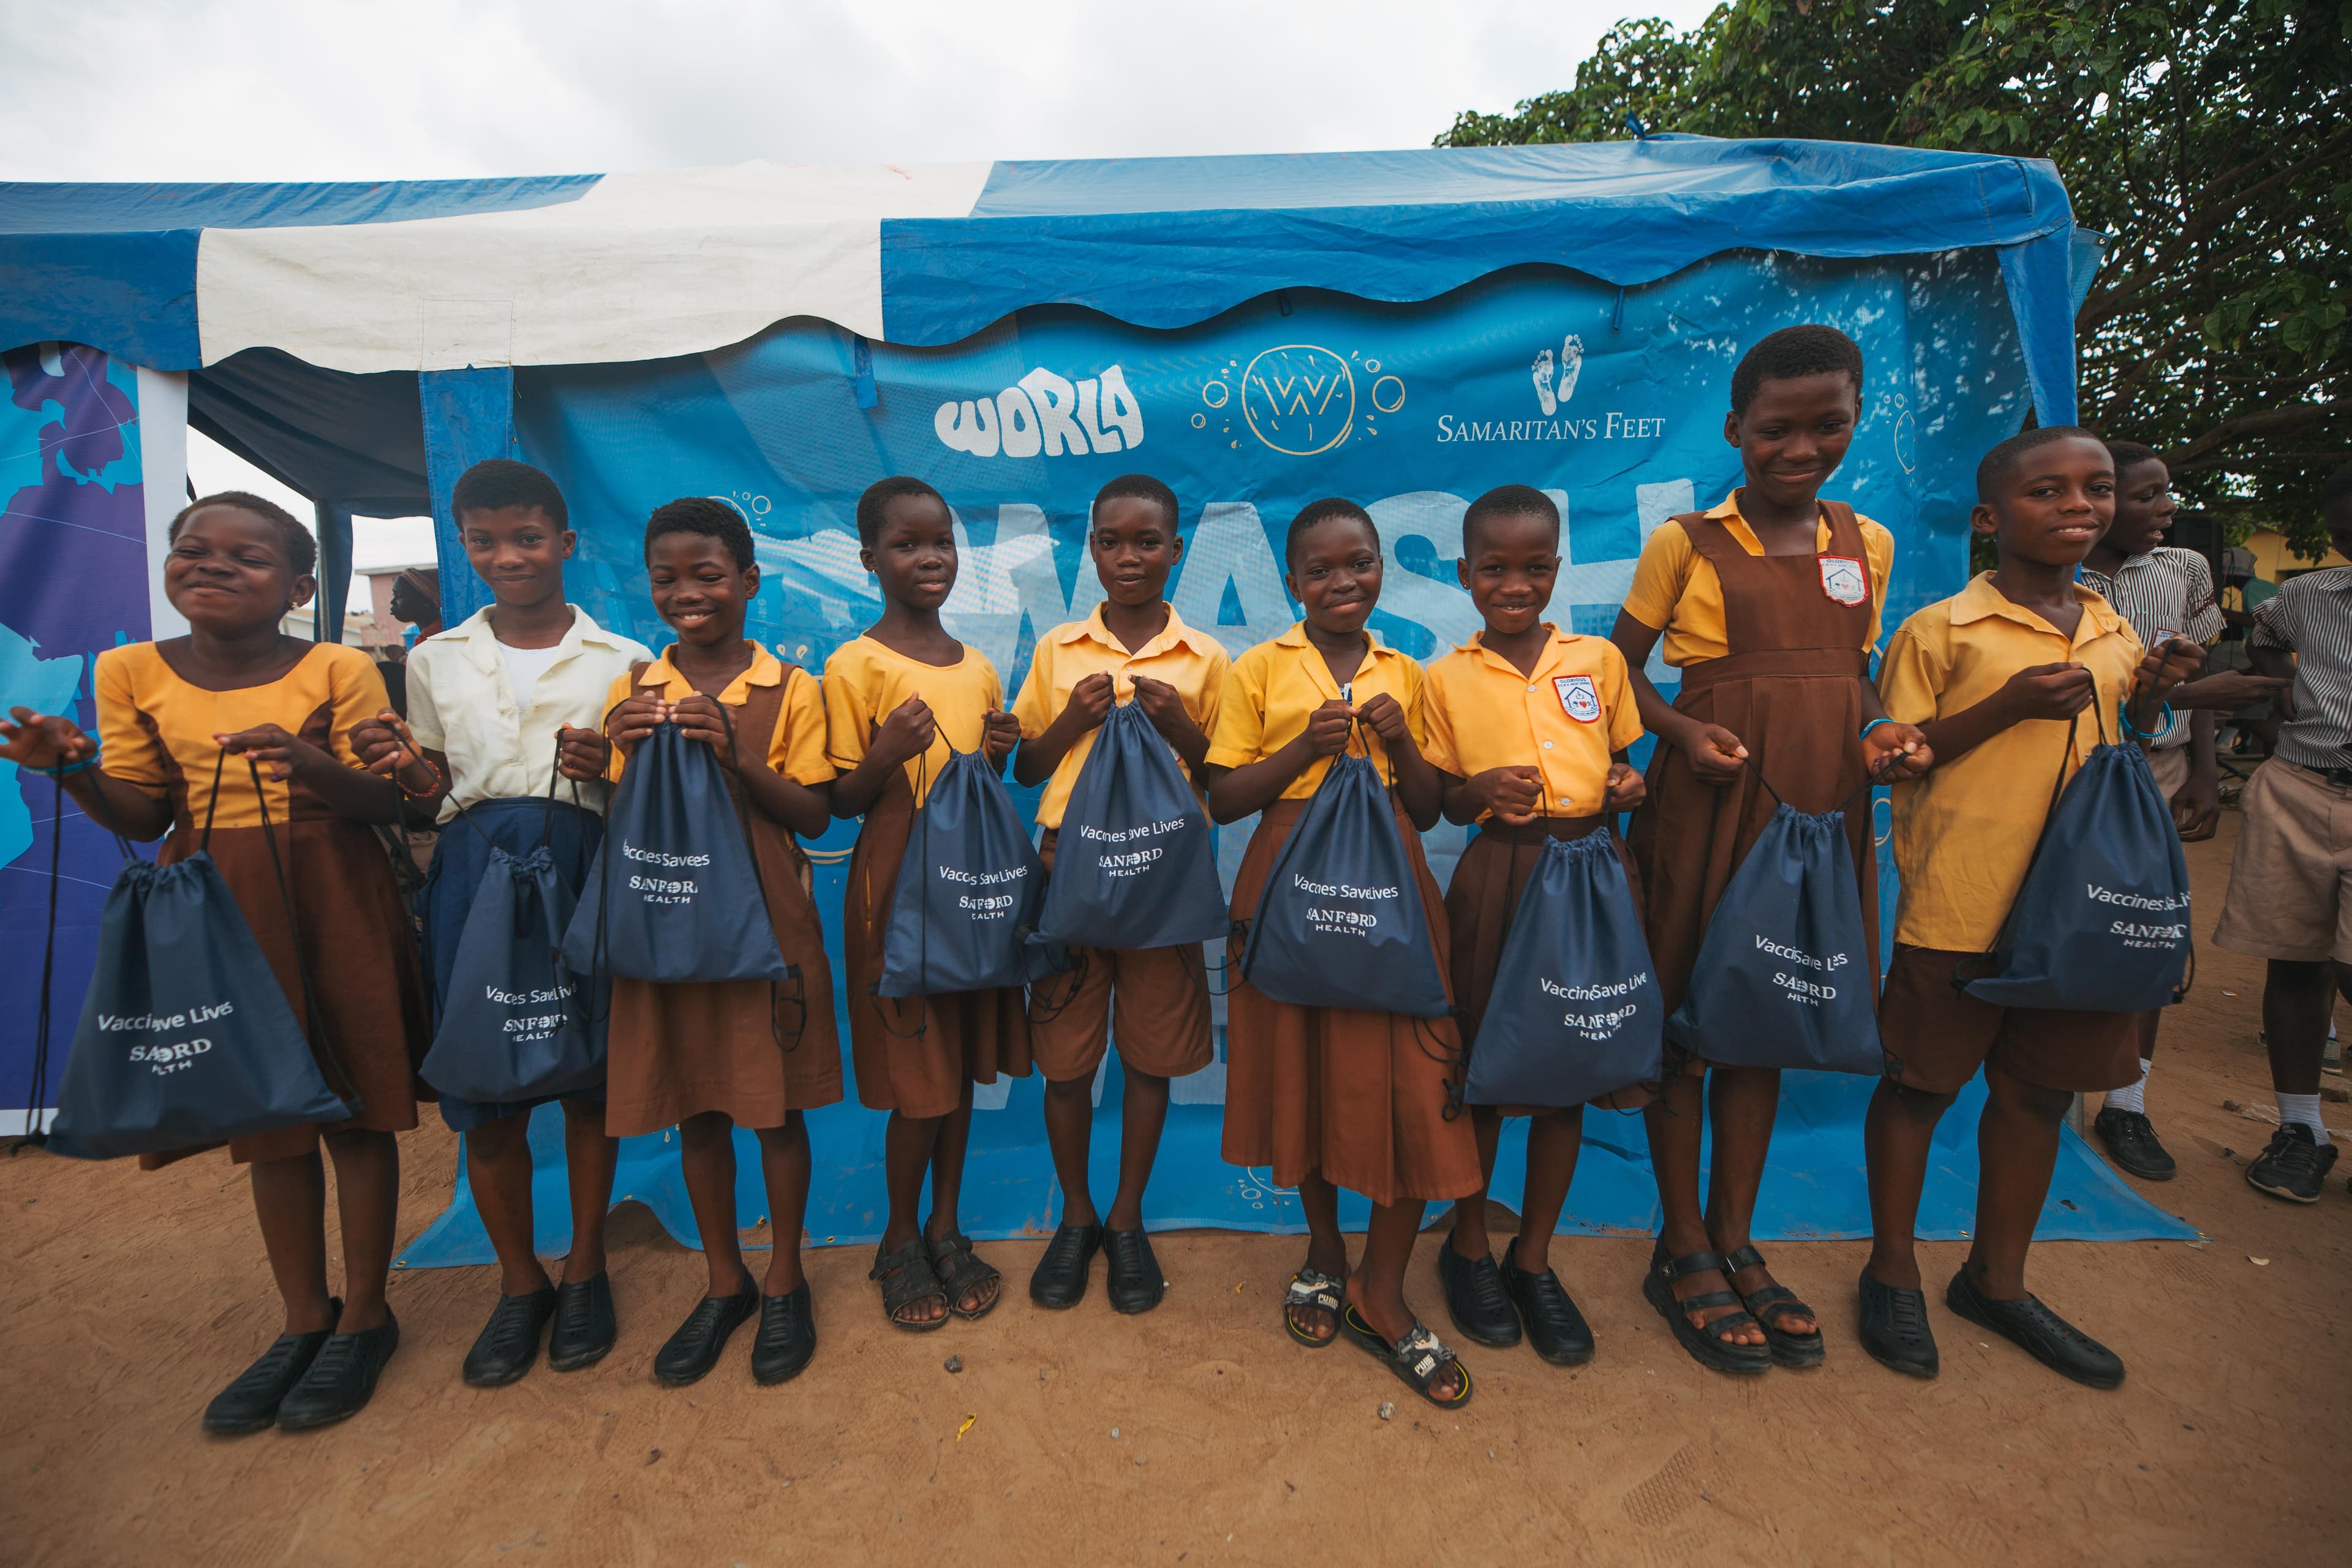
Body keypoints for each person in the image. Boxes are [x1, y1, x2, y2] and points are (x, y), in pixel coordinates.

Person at [1, 492, 428, 1433]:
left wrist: (310, 767)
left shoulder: (340, 666)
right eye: (194, 550)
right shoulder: (129, 670)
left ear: (300, 588)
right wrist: (67, 768)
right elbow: (146, 812)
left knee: (357, 1107)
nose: (215, 565)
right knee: (266, 1111)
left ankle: (365, 1315)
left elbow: (389, 803)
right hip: (217, 906)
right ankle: (302, 1318)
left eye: (248, 557)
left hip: (333, 892)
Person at [1607, 325, 1929, 1373]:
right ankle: (1682, 1243)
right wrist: (1680, 732)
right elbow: (1617, 673)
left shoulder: (1868, 543)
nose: (1801, 449)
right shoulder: (1685, 543)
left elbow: (1854, 677)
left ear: (1855, 421)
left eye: (1827, 426)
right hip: (1710, 802)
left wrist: (1881, 729)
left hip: (1820, 808)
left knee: (1770, 1014)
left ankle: (1736, 1236)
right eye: (1776, 430)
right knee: (1688, 1012)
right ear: (1736, 429)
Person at [1860, 426, 2202, 1389]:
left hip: (2081, 913)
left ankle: (1996, 1281)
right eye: (2047, 491)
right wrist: (2006, 706)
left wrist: (2152, 696)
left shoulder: (2111, 626)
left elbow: (2126, 734)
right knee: (1920, 1087)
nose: (2078, 507)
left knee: (2040, 1096)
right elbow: (1899, 756)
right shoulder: (1940, 631)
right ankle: (1892, 1271)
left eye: (2097, 489)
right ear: (1988, 518)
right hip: (1963, 904)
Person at [352, 459, 650, 1388]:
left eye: (527, 538)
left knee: (590, 1078)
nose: (508, 557)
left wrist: (607, 767)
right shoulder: (434, 659)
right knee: (485, 1084)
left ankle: (586, 1266)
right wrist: (403, 766)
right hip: (475, 874)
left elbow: (642, 795)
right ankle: (520, 1283)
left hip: (583, 867)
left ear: (565, 543)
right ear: (464, 546)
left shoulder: (624, 658)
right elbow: (432, 791)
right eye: (485, 542)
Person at [1205, 497, 1481, 1409]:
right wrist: (1301, 748)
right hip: (1288, 893)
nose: (1342, 581)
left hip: (1388, 893)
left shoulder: (1410, 673)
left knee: (1417, 1085)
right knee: (1308, 1076)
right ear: (1292, 583)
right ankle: (1326, 1255)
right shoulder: (1258, 667)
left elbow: (1430, 810)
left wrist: (1399, 740)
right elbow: (1224, 798)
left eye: (1359, 562)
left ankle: (1381, 1288)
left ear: (1381, 568)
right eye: (1320, 570)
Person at [598, 498, 844, 1385]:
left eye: (707, 575)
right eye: (666, 578)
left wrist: (735, 752)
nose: (687, 593)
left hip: (766, 925)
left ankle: (785, 1280)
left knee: (775, 1111)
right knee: (698, 1108)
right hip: (670, 927)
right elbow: (622, 820)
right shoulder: (635, 689)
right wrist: (612, 754)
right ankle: (724, 1281)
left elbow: (814, 815)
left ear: (748, 581)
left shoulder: (791, 689)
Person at [1421, 484, 1646, 1366]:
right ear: (1464, 574)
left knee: (1571, 1068)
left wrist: (1628, 785)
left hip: (1590, 876)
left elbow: (1620, 763)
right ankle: (1469, 1246)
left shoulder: (1598, 660)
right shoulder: (1445, 676)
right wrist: (1478, 790)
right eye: (1494, 569)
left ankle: (1535, 1257)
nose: (1514, 585)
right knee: (1484, 1068)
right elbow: (1440, 802)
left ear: (1558, 568)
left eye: (1534, 568)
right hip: (1501, 877)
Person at [1011, 474, 1226, 1314]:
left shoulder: (1206, 658)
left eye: (1148, 542)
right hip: (1068, 872)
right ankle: (1077, 1214)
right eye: (1112, 541)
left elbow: (1223, 778)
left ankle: (1127, 1218)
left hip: (1163, 880)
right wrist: (1071, 720)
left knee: (1150, 1058)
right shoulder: (1059, 648)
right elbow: (1028, 766)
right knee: (1065, 1064)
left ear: (1176, 550)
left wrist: (1180, 729)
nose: (1129, 557)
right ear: (1091, 548)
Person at [826, 477, 1028, 1331]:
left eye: (941, 541)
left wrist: (1000, 751)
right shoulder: (855, 664)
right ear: (870, 560)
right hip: (897, 873)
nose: (930, 558)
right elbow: (839, 800)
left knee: (957, 1066)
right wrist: (885, 753)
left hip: (972, 879)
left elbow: (983, 784)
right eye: (907, 545)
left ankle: (947, 1226)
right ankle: (899, 1236)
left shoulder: (978, 666)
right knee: (920, 1074)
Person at [2077, 441, 2283, 1182]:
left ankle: (2126, 1103)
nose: (2166, 508)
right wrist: (2195, 694)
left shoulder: (2184, 570)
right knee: (2067, 926)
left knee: (2149, 933)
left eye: (2167, 492)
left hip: (2156, 772)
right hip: (2071, 772)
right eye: (2145, 496)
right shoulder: (2058, 573)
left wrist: (2201, 769)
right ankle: (2045, 1089)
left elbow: (2192, 669)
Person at [2214, 461, 2352, 1202]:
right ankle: (2302, 1130)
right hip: (2301, 785)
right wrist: (2281, 704)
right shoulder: (2308, 595)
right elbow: (2265, 635)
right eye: (2343, 533)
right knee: (2296, 962)